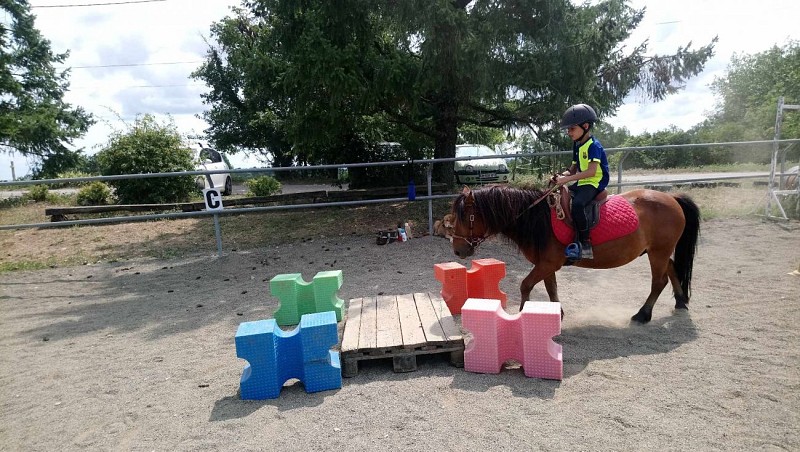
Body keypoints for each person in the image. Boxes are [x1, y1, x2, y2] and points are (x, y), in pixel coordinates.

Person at [555, 103, 609, 260]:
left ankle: (585, 243)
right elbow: (573, 169)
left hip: (594, 182)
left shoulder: (594, 146)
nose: (568, 132)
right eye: (568, 129)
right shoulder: (577, 145)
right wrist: (560, 176)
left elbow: (591, 171)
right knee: (562, 198)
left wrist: (567, 179)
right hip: (582, 182)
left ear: (585, 126)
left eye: (572, 128)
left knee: (578, 204)